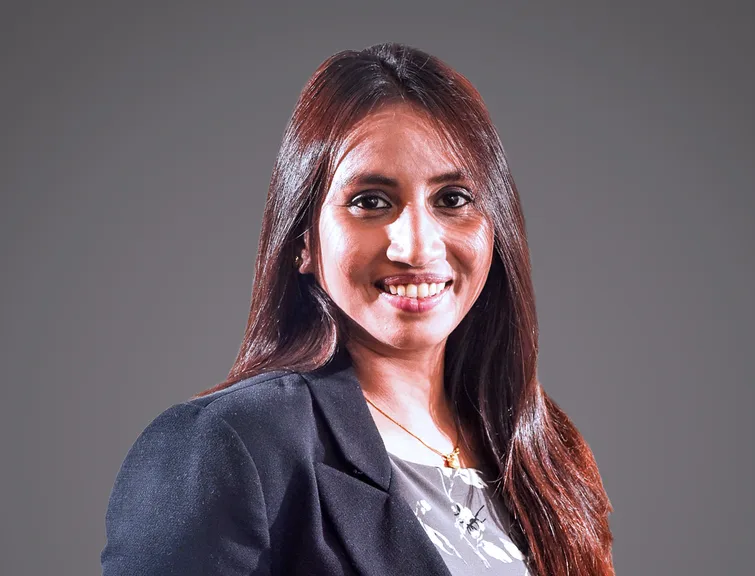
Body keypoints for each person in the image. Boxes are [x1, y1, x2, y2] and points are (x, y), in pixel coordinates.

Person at [101, 43, 615, 576]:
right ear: (303, 240)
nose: (416, 247)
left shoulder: (545, 453)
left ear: (495, 227)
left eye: (454, 199)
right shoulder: (222, 449)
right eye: (371, 201)